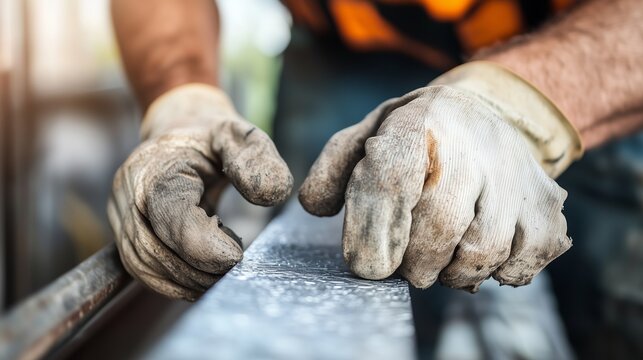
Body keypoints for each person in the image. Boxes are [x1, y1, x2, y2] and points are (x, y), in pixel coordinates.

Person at [108, 2, 643, 354]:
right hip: (351, 48)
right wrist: (181, 100)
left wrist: (519, 105)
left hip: (592, 32)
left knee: (619, 297)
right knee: (349, 277)